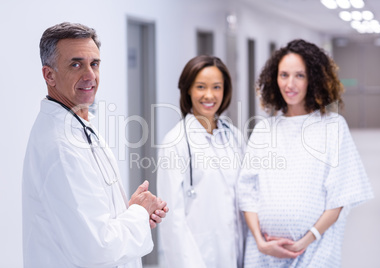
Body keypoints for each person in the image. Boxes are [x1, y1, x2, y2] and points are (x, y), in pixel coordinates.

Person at [22, 22, 168, 268]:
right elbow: (98, 248)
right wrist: (139, 213)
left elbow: (93, 221)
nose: (90, 75)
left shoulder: (79, 125)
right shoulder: (61, 147)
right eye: (76, 64)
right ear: (49, 75)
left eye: (95, 64)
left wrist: (130, 210)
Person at [238, 39, 374, 267]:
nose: (290, 83)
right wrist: (261, 242)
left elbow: (339, 198)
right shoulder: (264, 129)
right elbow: (246, 191)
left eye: (299, 75)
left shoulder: (333, 126)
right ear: (274, 79)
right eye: (284, 75)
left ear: (314, 79)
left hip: (316, 250)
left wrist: (305, 241)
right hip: (263, 252)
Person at [157, 55, 245, 268]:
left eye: (216, 87)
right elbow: (172, 220)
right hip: (197, 257)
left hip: (236, 252)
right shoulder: (175, 142)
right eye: (200, 87)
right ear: (188, 89)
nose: (209, 95)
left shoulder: (234, 136)